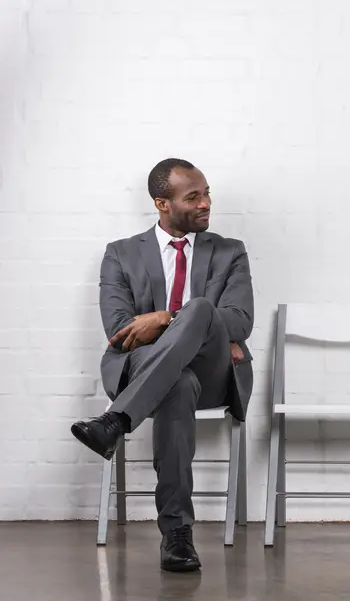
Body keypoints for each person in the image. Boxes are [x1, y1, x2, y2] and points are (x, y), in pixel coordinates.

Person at [71, 158, 254, 573]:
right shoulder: (120, 254)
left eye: (207, 193)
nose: (205, 203)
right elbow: (120, 330)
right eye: (193, 197)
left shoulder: (230, 252)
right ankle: (177, 536)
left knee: (202, 310)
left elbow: (240, 320)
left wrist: (166, 318)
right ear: (162, 203)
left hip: (214, 374)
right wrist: (200, 325)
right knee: (179, 381)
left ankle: (115, 422)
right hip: (146, 370)